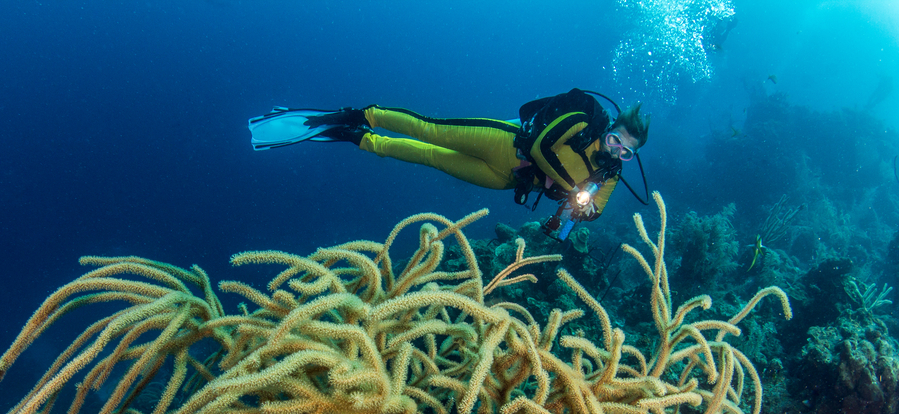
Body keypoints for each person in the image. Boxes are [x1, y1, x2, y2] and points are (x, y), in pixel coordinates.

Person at [248, 89, 649, 240]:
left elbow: (594, 212)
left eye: (626, 152)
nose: (615, 152)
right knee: (430, 130)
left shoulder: (610, 174)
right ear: (609, 129)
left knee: (430, 158)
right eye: (615, 140)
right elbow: (544, 147)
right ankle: (360, 114)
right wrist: (569, 187)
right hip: (505, 142)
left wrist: (585, 208)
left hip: (507, 179)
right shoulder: (584, 123)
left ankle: (357, 138)